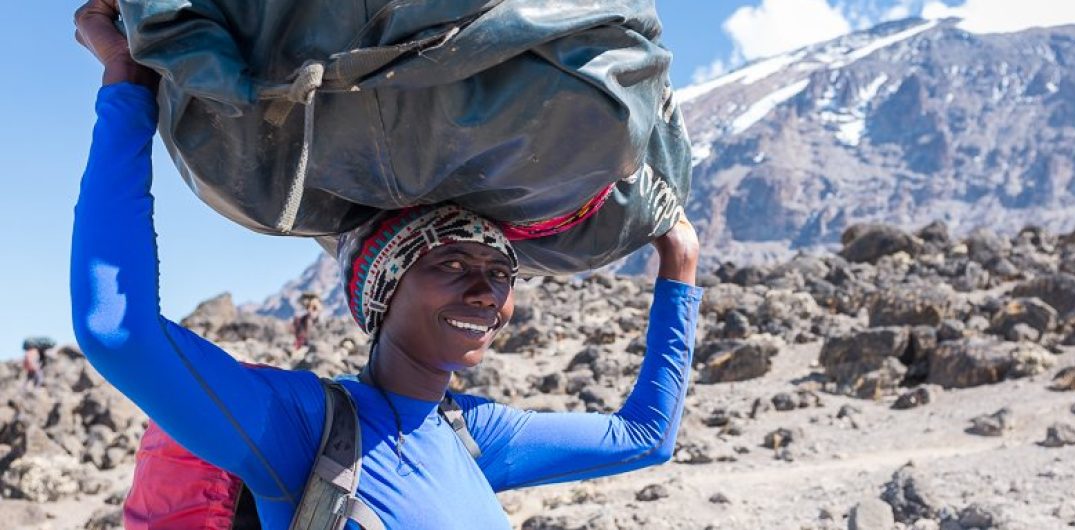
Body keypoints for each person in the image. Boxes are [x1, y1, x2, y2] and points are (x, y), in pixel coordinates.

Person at [70, 1, 703, 528]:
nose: (487, 291)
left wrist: (679, 259)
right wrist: (125, 87)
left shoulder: (474, 436)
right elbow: (118, 332)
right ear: (382, 289)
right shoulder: (304, 429)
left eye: (502, 270)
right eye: (451, 263)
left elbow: (646, 436)